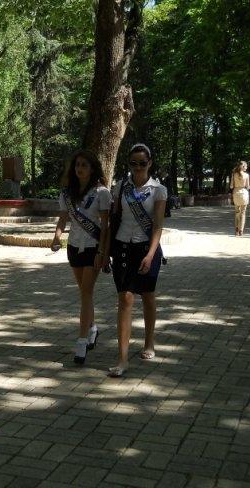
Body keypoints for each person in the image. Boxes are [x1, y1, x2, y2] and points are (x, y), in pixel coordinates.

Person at [104, 143, 167, 377]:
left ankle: (149, 341)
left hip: (146, 248)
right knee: (125, 298)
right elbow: (113, 221)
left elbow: (158, 225)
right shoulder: (121, 187)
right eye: (133, 163)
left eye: (142, 163)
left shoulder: (158, 190)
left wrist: (150, 255)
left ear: (150, 163)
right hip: (122, 246)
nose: (138, 168)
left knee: (147, 295)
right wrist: (105, 252)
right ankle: (122, 358)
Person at [50, 150, 111, 364]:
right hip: (74, 247)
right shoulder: (68, 193)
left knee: (86, 293)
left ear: (92, 168)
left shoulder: (102, 193)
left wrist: (102, 252)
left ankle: (82, 341)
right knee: (84, 292)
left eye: (84, 165)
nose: (80, 169)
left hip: (93, 248)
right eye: (77, 165)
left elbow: (105, 226)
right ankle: (92, 328)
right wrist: (56, 237)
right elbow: (63, 219)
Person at [230, 161, 250, 236]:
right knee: (243, 212)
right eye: (246, 166)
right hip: (244, 193)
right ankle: (241, 230)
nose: (246, 168)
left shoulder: (234, 174)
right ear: (243, 167)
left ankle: (236, 229)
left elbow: (231, 186)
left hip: (236, 193)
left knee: (237, 212)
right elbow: (248, 186)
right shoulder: (246, 175)